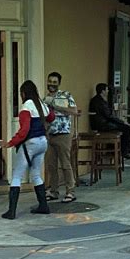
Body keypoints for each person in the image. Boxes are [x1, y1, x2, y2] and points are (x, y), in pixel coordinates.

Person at [1, 80, 54, 220]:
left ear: (23, 93)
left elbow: (24, 130)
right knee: (36, 174)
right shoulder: (41, 104)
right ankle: (43, 206)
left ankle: (11, 211)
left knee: (17, 176)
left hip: (30, 143)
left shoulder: (26, 106)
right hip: (43, 142)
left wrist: (11, 143)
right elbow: (51, 117)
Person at [44, 72, 78, 203]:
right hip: (50, 134)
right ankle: (53, 191)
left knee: (65, 164)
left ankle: (70, 191)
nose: (51, 84)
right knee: (51, 165)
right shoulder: (45, 98)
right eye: (50, 81)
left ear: (59, 83)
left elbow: (74, 111)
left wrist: (56, 106)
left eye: (54, 82)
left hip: (63, 133)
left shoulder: (65, 95)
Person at [89, 83, 130, 158]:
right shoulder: (99, 101)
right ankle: (123, 151)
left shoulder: (98, 100)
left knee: (123, 127)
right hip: (102, 125)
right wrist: (122, 122)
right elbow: (109, 116)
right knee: (127, 128)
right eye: (106, 89)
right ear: (103, 91)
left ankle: (118, 149)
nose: (108, 91)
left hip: (102, 123)